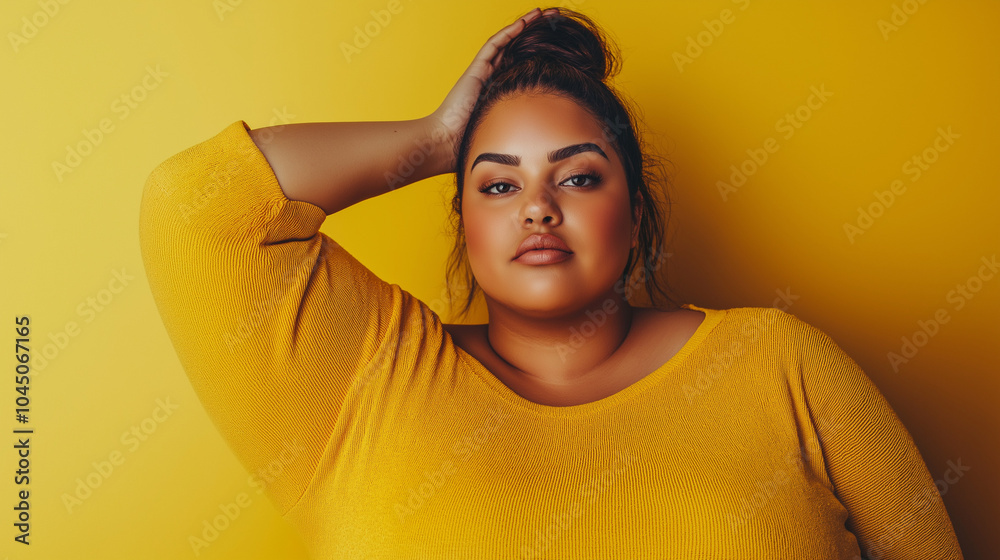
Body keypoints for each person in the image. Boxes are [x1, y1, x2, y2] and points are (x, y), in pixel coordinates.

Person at [139, 6, 964, 558]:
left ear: (634, 215)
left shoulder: (782, 364)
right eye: (497, 184)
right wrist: (433, 140)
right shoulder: (364, 380)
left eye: (577, 178)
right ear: (463, 218)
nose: (536, 207)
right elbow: (195, 209)